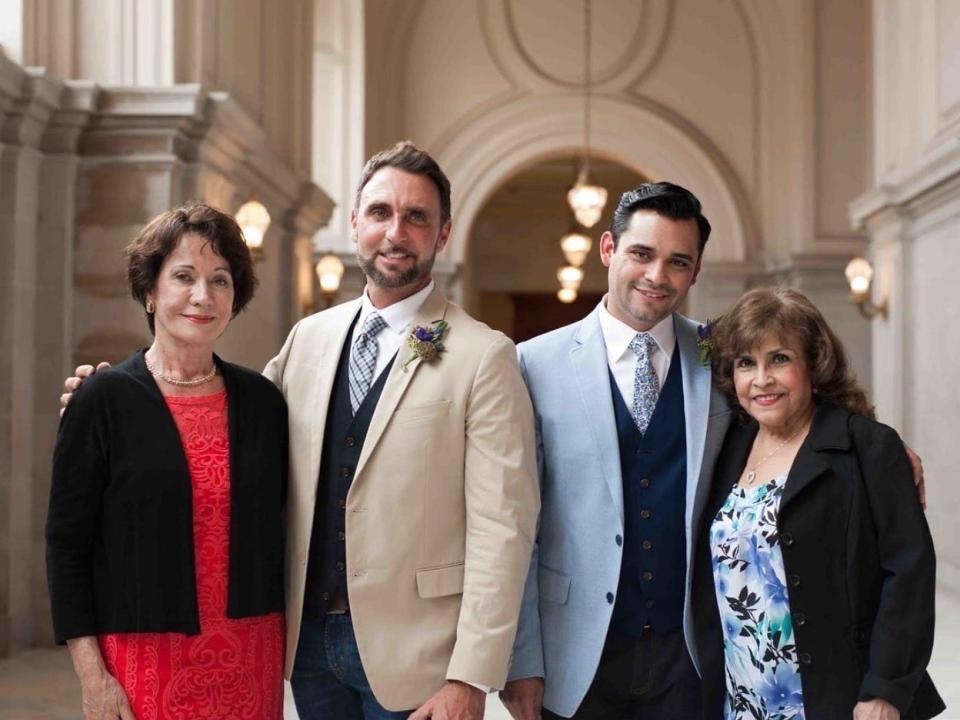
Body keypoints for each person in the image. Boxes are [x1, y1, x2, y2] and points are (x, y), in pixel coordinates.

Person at [63, 141, 539, 720]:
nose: (396, 231)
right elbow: (215, 420)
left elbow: (504, 529)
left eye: (417, 217)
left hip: (421, 659)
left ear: (442, 235)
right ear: (356, 222)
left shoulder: (485, 355)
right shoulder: (309, 339)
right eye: (382, 213)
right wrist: (112, 396)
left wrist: (469, 679)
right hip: (305, 650)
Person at [47, 203, 288, 720]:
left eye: (220, 281)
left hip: (250, 656)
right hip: (143, 662)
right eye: (184, 276)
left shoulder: (264, 402)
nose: (203, 296)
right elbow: (66, 546)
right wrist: (94, 678)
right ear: (150, 291)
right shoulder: (102, 399)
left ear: (234, 298)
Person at [501, 182, 733, 720]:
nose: (657, 276)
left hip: (691, 656)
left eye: (678, 261)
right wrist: (521, 659)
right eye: (641, 254)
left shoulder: (723, 354)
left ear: (695, 272)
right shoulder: (532, 363)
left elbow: (796, 400)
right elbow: (514, 524)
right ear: (609, 250)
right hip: (573, 655)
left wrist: (876, 447)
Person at [690, 287, 944, 720]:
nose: (762, 379)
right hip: (742, 697)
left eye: (780, 359)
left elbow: (909, 574)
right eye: (746, 363)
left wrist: (885, 691)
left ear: (815, 364)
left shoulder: (867, 447)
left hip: (841, 695)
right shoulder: (727, 445)